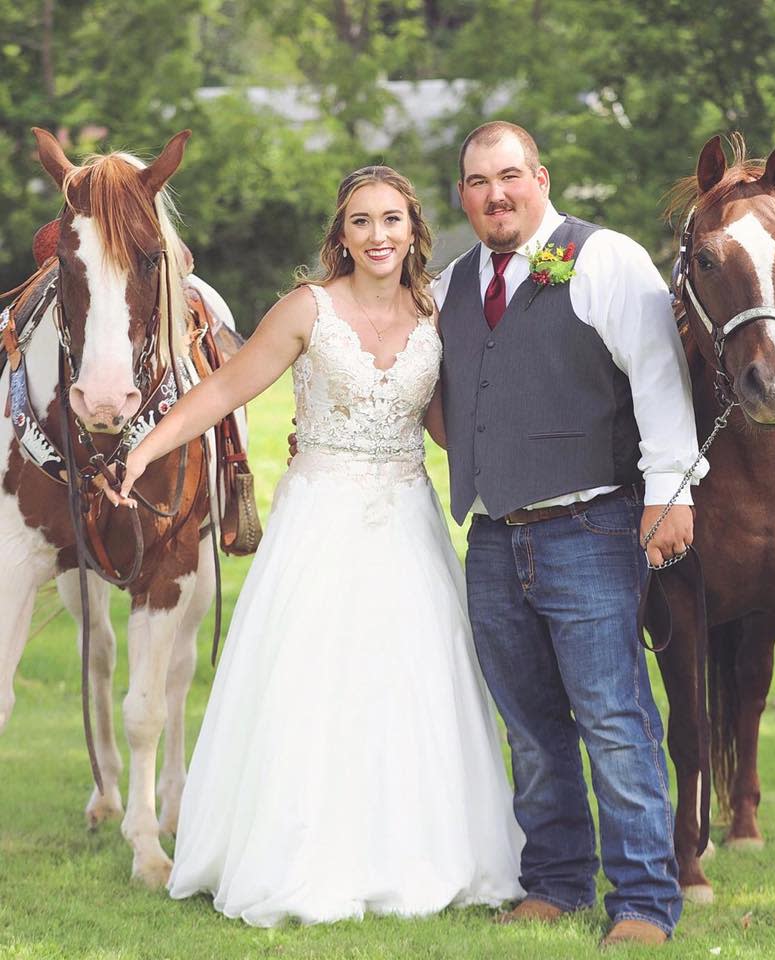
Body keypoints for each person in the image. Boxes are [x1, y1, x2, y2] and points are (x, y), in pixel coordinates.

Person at [104, 165, 523, 925]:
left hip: (406, 522)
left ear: (413, 230)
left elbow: (453, 428)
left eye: (391, 220)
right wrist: (142, 447)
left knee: (413, 685)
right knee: (312, 683)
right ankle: (296, 856)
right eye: (361, 222)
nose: (378, 236)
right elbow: (226, 389)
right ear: (341, 234)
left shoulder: (435, 314)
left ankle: (418, 855)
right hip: (320, 521)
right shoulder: (307, 310)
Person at [435, 122, 706, 947]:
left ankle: (644, 901)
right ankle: (554, 881)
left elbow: (660, 379)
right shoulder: (451, 281)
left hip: (590, 525)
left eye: (510, 175)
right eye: (479, 182)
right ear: (463, 197)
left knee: (614, 719)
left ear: (541, 177)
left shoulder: (605, 258)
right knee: (530, 723)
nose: (496, 193)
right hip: (490, 536)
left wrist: (672, 497)